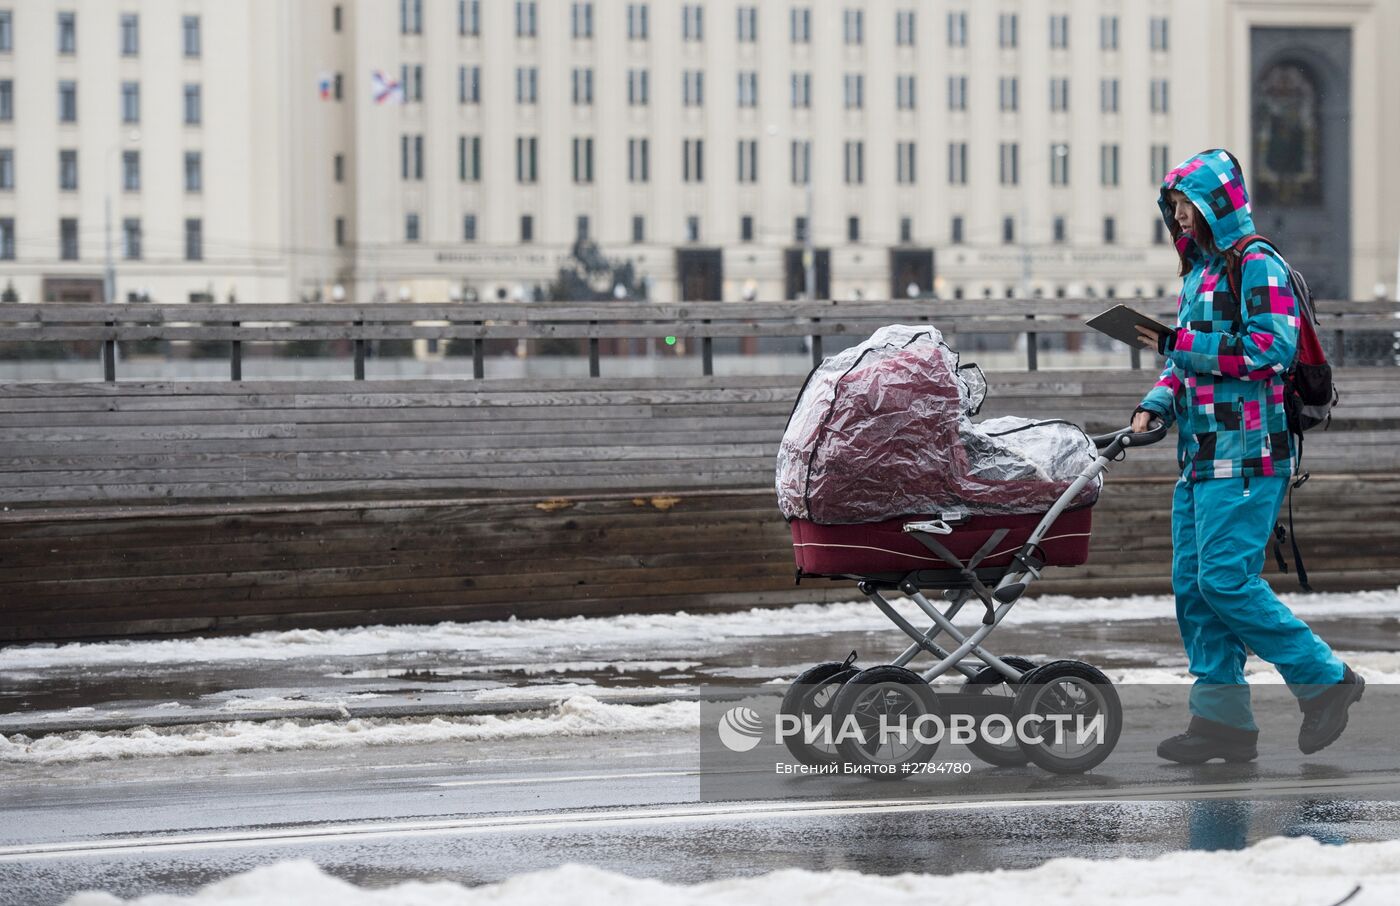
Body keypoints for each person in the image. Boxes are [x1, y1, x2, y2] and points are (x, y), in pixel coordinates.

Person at [1129, 149, 1363, 764]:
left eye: (1187, 208)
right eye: (1173, 208)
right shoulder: (1199, 273)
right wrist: (1155, 404)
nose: (1179, 219)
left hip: (1250, 453)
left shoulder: (1257, 265)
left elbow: (1269, 350)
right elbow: (1186, 362)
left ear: (1216, 207)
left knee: (1226, 582)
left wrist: (1181, 343)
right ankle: (1222, 721)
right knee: (1195, 587)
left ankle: (1326, 680)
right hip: (1200, 454)